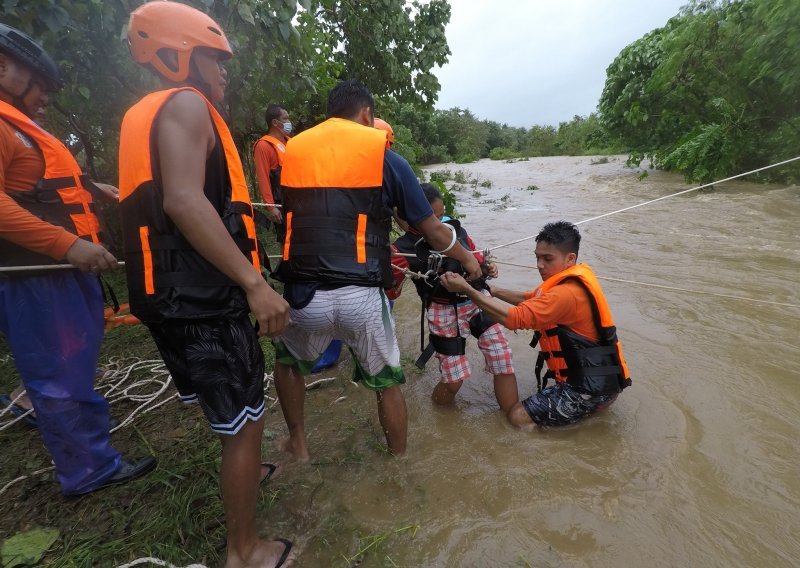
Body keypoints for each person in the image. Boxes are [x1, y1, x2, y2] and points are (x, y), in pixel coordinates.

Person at [120, 3, 294, 567]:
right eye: (216, 62)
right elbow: (184, 201)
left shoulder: (142, 116)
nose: (223, 75)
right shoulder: (188, 106)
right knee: (246, 423)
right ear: (179, 57)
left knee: (229, 416)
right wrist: (254, 284)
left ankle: (245, 476)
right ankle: (245, 551)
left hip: (163, 299)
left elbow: (156, 203)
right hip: (203, 300)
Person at [272, 79, 482, 461]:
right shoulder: (384, 156)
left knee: (287, 363)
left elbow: (290, 217)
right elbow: (432, 230)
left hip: (303, 295)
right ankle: (398, 462)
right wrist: (469, 259)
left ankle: (298, 443)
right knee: (387, 383)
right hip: (361, 296)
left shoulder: (292, 152)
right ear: (367, 114)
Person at [0, 23, 155, 495]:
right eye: (39, 85)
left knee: (73, 363)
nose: (45, 96)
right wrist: (69, 245)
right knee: (59, 373)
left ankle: (68, 437)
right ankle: (88, 469)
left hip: (61, 274)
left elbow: (38, 183)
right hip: (38, 277)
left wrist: (95, 189)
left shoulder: (20, 126)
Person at [439, 221, 631, 429]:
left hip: (591, 389)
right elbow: (529, 298)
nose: (540, 264)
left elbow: (514, 319)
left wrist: (467, 290)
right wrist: (490, 290)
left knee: (517, 417)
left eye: (548, 259)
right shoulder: (568, 283)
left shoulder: (565, 294)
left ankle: (580, 425)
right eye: (537, 257)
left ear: (570, 259)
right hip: (602, 381)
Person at [387, 183, 519, 414]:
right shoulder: (401, 251)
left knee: (502, 358)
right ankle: (440, 417)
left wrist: (488, 268)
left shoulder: (457, 230)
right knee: (453, 379)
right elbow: (392, 292)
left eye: (442, 214)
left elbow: (477, 258)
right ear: (416, 218)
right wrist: (391, 268)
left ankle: (515, 416)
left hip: (478, 299)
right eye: (434, 218)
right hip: (443, 311)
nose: (441, 224)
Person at [253, 104, 290, 242]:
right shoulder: (264, 146)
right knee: (286, 241)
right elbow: (263, 178)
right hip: (280, 203)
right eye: (285, 119)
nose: (289, 122)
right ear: (275, 122)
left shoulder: (290, 142)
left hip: (297, 201)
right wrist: (270, 207)